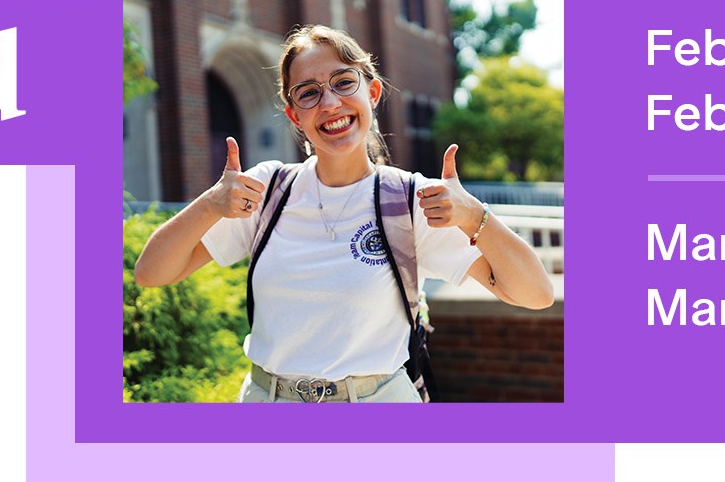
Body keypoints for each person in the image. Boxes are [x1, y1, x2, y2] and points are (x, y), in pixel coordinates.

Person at [133, 25, 554, 403]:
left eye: (343, 82)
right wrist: (209, 204)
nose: (330, 103)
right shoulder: (267, 191)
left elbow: (534, 294)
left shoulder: (410, 199)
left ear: (371, 93)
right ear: (295, 115)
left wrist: (475, 216)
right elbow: (152, 272)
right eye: (309, 92)